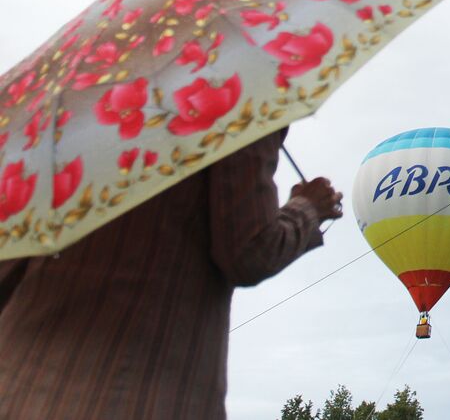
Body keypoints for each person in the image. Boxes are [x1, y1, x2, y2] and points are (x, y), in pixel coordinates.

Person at [0, 128, 340, 420]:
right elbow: (250, 252)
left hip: (17, 388)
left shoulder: (51, 122)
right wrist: (307, 208)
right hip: (140, 395)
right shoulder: (236, 99)